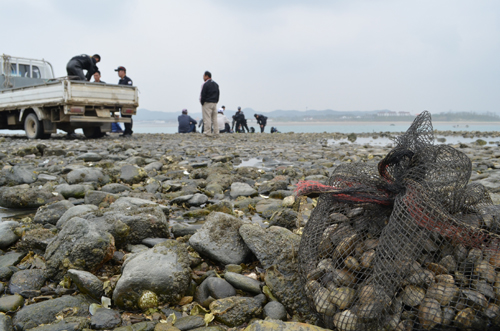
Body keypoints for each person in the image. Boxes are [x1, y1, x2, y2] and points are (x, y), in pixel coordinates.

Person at [200, 71, 220, 138]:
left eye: (204, 76)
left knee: (207, 118)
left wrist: (202, 102)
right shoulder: (216, 84)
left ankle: (208, 132)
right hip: (214, 102)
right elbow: (218, 94)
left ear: (206, 76)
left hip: (207, 102)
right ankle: (216, 132)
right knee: (214, 118)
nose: (203, 77)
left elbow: (203, 94)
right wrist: (216, 101)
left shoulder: (205, 84)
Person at [115, 66, 133, 137]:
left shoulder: (128, 80)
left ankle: (129, 131)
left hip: (127, 101)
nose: (118, 73)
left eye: (119, 71)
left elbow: (129, 90)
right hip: (121, 102)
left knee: (128, 117)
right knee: (123, 116)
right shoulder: (120, 81)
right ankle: (126, 131)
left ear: (123, 72)